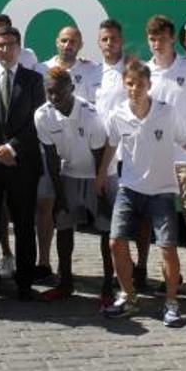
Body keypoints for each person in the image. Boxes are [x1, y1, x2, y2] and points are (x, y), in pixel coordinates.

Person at [97, 61, 186, 326]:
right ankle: (129, 296)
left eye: (140, 84)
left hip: (162, 191)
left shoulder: (167, 112)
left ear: (149, 85)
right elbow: (111, 146)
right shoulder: (117, 115)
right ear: (124, 85)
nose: (135, 89)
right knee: (115, 242)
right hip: (129, 187)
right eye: (130, 84)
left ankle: (171, 303)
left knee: (167, 248)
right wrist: (101, 175)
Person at [0, 26, 45, 300]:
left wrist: (12, 148)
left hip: (22, 163)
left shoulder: (34, 80)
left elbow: (38, 120)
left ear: (19, 47)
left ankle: (25, 281)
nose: (5, 50)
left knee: (24, 224)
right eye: (0, 45)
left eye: (10, 45)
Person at [146, 15, 186, 301]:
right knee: (162, 221)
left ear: (173, 38)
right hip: (157, 160)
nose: (157, 43)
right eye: (152, 38)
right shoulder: (145, 72)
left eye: (161, 38)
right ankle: (170, 275)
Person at [35, 66, 110, 301]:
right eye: (50, 92)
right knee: (64, 226)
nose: (54, 97)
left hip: (97, 175)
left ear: (72, 89)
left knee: (106, 229)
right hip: (68, 175)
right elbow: (50, 156)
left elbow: (100, 156)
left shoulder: (91, 115)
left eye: (59, 92)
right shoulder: (42, 115)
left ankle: (108, 286)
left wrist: (101, 191)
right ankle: (65, 282)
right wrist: (59, 195)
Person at [93, 18, 130, 306]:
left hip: (122, 158)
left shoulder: (129, 71)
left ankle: (125, 280)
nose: (109, 44)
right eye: (104, 39)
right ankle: (109, 280)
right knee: (105, 223)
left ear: (121, 40)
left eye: (114, 39)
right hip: (95, 157)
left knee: (120, 226)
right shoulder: (90, 71)